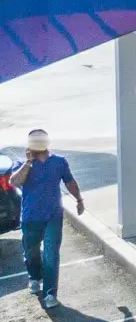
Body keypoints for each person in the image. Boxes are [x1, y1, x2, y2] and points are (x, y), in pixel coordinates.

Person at [12, 128, 83, 309]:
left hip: (53, 216)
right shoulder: (21, 163)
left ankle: (50, 293)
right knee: (31, 253)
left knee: (51, 254)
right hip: (30, 218)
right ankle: (34, 277)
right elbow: (15, 181)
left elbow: (70, 182)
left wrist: (79, 200)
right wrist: (28, 162)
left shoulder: (59, 162)